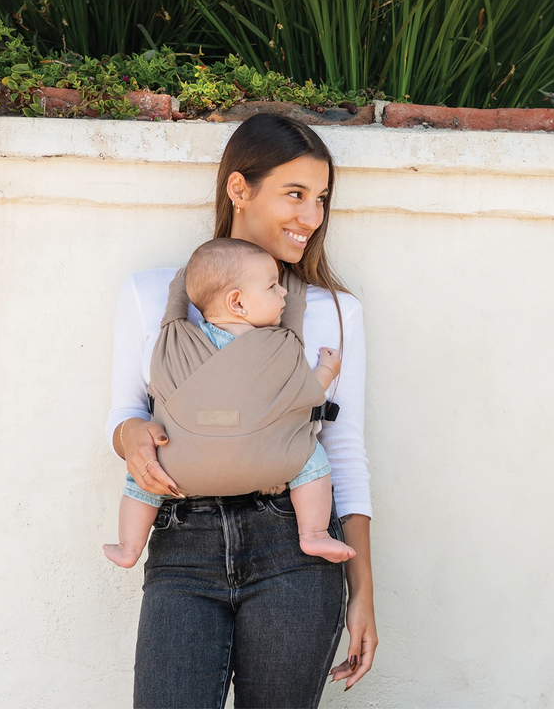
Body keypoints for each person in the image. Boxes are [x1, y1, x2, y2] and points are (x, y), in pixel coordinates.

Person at [106, 113, 377, 708]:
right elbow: (125, 413)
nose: (312, 217)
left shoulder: (334, 314)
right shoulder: (150, 296)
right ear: (238, 189)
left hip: (293, 548)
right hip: (184, 545)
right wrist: (132, 438)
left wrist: (362, 592)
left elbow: (342, 451)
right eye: (295, 194)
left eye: (322, 199)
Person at [103, 237, 356, 568]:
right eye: (273, 287)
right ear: (237, 303)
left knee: (142, 477)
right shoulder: (277, 346)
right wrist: (327, 368)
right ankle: (314, 533)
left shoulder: (178, 338)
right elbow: (306, 391)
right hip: (273, 464)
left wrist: (182, 281)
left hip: (180, 468)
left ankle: (129, 546)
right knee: (311, 457)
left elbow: (173, 313)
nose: (282, 294)